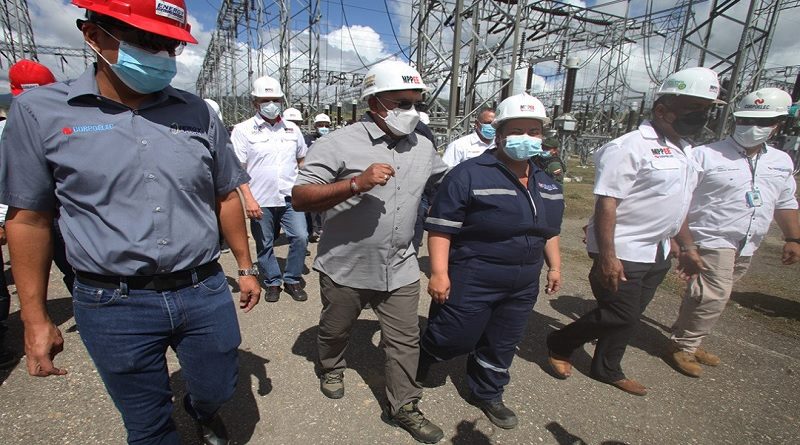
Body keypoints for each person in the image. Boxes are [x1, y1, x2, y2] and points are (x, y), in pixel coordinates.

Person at [0, 2, 261, 444]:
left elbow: (224, 194)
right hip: (112, 303)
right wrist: (35, 317)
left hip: (202, 289)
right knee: (146, 422)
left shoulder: (198, 112)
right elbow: (29, 218)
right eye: (145, 41)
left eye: (170, 45)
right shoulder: (40, 113)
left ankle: (201, 410)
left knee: (219, 385)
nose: (161, 55)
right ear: (93, 35)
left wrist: (245, 265)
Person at [292, 59, 448, 444]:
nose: (411, 111)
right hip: (346, 267)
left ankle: (403, 406)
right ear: (374, 102)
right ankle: (331, 366)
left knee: (405, 340)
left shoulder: (423, 145)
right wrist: (356, 184)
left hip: (400, 267)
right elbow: (300, 197)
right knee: (335, 329)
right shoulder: (337, 143)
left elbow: (448, 184)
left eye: (416, 103)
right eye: (402, 103)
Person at [545, 67, 723, 396]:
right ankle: (560, 342)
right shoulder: (628, 147)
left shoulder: (685, 149)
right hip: (623, 248)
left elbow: (679, 204)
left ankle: (606, 368)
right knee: (621, 313)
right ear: (662, 110)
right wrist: (607, 257)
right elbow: (607, 203)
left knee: (630, 316)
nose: (701, 115)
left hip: (658, 250)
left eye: (706, 109)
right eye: (693, 107)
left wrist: (686, 247)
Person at [418, 93, 564, 429]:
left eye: (534, 131)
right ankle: (426, 355)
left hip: (522, 282)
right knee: (453, 336)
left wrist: (555, 266)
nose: (527, 138)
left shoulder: (547, 182)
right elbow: (441, 228)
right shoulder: (469, 174)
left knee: (503, 342)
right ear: (499, 134)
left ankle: (488, 392)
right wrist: (439, 272)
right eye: (517, 130)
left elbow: (550, 231)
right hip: (474, 275)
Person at [668, 87, 800, 377]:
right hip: (709, 236)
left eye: (763, 122)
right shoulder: (704, 156)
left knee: (705, 294)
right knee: (714, 295)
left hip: (749, 240)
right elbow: (679, 199)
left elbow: (786, 201)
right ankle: (685, 346)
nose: (752, 127)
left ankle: (689, 335)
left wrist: (793, 238)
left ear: (778, 125)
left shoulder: (781, 161)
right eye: (746, 120)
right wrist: (680, 239)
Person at [0, 59, 60, 370]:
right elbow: (24, 213)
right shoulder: (12, 129)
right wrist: (34, 318)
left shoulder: (70, 120)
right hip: (35, 214)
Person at [232, 76, 309, 303]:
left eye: (275, 99)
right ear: (255, 102)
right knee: (264, 243)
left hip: (290, 197)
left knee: (301, 237)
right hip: (260, 199)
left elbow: (302, 160)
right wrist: (248, 199)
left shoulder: (292, 129)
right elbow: (238, 169)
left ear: (282, 101)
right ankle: (273, 281)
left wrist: (307, 186)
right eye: (265, 100)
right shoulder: (243, 130)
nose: (271, 104)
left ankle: (292, 279)